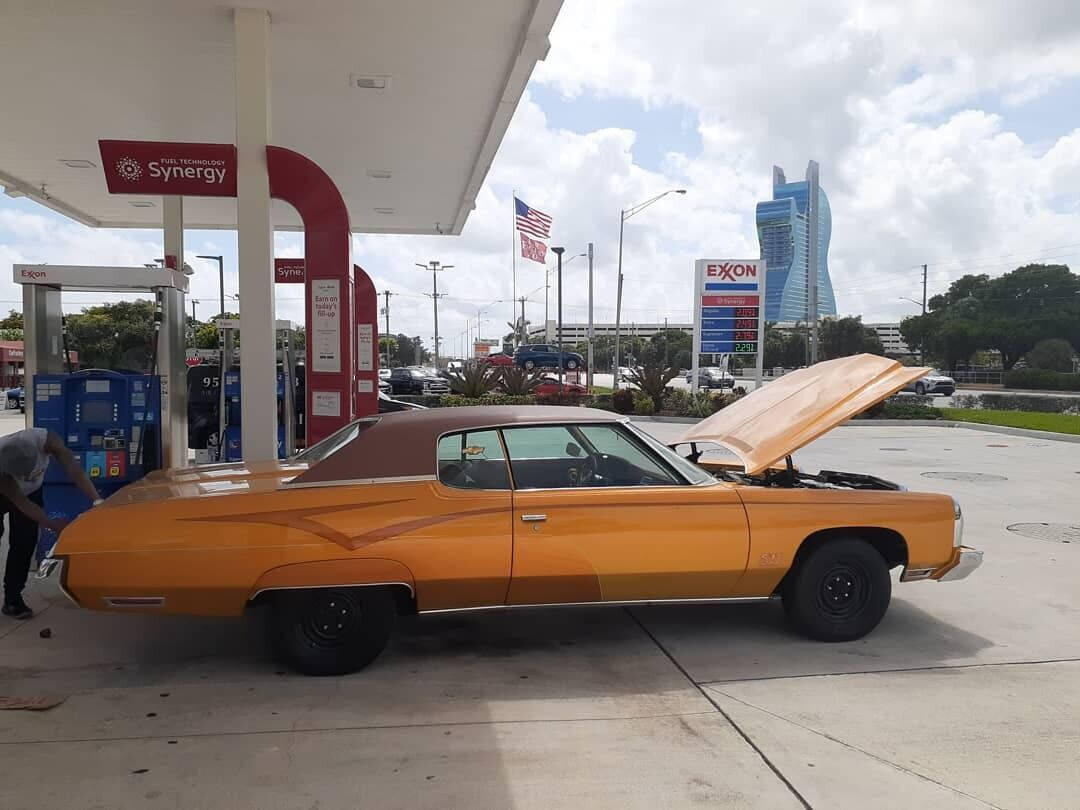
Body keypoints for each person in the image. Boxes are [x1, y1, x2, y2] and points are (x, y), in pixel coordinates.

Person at [0, 428, 102, 619]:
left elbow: (74, 469)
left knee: (24, 543)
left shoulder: (46, 440)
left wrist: (96, 499)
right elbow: (23, 504)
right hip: (7, 495)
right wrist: (53, 525)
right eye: (20, 476)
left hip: (32, 493)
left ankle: (13, 599)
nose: (25, 478)